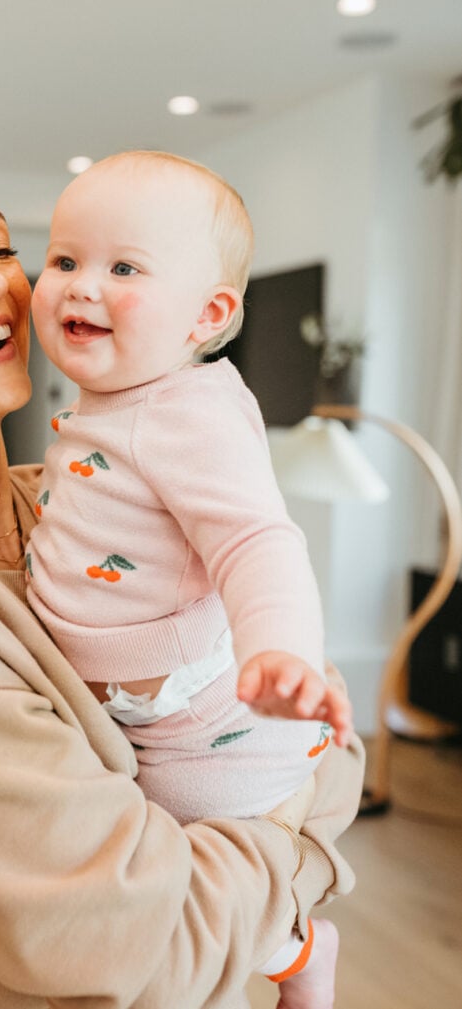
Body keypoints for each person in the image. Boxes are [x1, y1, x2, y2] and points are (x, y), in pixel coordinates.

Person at [0, 137, 365, 1009]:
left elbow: (335, 738)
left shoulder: (71, 501)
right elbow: (127, 946)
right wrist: (290, 829)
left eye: (1, 246)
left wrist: (274, 798)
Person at [25, 150, 354, 1008]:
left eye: (123, 267)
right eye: (62, 260)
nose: (77, 286)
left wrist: (284, 652)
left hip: (199, 722)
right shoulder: (115, 401)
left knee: (194, 875)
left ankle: (300, 952)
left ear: (205, 314)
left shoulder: (187, 412)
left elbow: (256, 540)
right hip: (127, 713)